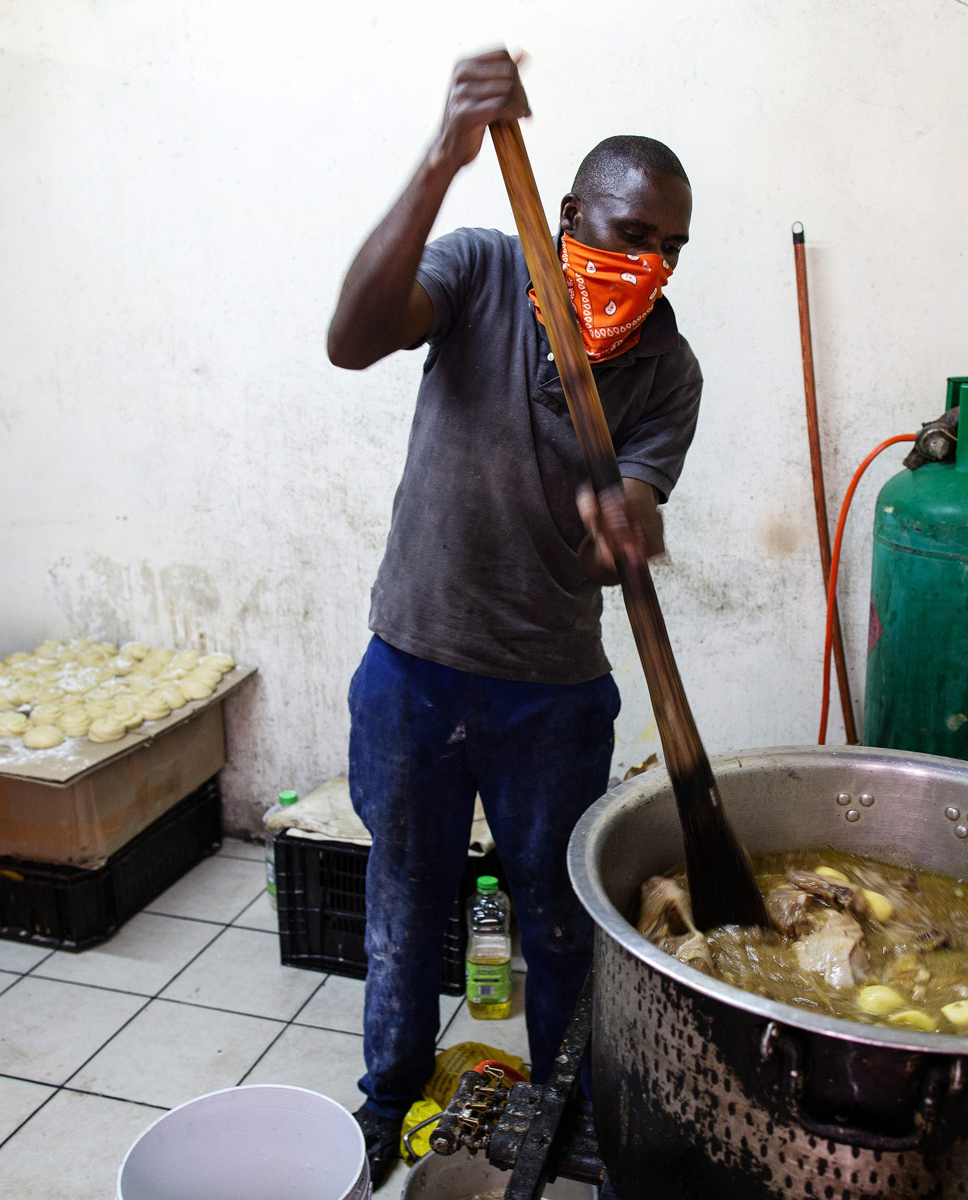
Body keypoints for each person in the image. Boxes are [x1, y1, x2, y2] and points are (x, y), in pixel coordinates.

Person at [326, 48, 701, 1186]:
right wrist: (445, 156)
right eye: (629, 233)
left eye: (671, 247)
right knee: (403, 902)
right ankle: (385, 1099)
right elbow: (352, 336)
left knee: (556, 923)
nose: (647, 264)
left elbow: (636, 502)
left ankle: (563, 1108)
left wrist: (627, 518)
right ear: (572, 212)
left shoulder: (666, 369)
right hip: (415, 666)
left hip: (551, 695)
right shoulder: (485, 272)